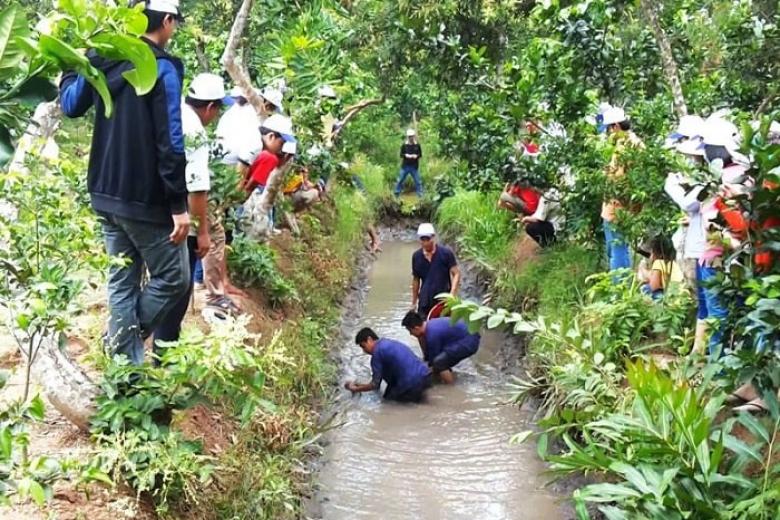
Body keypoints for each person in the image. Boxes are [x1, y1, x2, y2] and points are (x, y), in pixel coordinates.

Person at [59, 0, 189, 365]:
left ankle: (124, 371)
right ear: (166, 21)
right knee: (174, 277)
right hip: (145, 199)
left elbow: (70, 105)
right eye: (174, 23)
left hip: (104, 191)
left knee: (122, 280)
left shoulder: (102, 58)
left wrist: (72, 65)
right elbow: (171, 143)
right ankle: (121, 344)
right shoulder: (162, 68)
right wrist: (178, 206)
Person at [154, 73, 234, 347]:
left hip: (153, 209)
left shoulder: (170, 112)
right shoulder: (195, 132)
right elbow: (197, 189)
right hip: (180, 216)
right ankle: (165, 346)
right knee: (179, 283)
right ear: (210, 107)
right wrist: (201, 233)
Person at [600, 107, 644, 273]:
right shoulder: (632, 143)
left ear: (616, 127)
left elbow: (617, 180)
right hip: (622, 208)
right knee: (618, 250)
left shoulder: (625, 147)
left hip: (617, 209)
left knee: (617, 252)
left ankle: (619, 291)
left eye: (608, 129)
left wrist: (604, 175)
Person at [241, 114, 297, 239]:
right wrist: (240, 199)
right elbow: (251, 184)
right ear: (271, 136)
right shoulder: (269, 158)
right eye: (281, 144)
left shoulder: (255, 144)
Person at [344, 328, 432, 403]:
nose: (364, 351)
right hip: (425, 375)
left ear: (369, 339)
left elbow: (375, 385)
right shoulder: (387, 342)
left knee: (388, 403)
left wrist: (355, 389)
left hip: (412, 384)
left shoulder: (377, 354)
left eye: (363, 346)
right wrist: (360, 385)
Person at [401, 312, 480, 384]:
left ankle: (450, 388)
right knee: (441, 361)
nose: (411, 334)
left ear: (416, 328)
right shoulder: (430, 325)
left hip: (469, 342)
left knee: (439, 363)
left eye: (410, 331)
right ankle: (446, 375)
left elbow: (433, 362)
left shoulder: (432, 335)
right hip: (469, 336)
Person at [411, 223, 460, 318]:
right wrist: (413, 302)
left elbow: (456, 273)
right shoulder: (416, 256)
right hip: (425, 300)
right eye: (422, 239)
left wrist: (452, 294)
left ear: (433, 238)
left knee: (444, 327)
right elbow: (416, 279)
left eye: (428, 239)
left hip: (443, 300)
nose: (425, 243)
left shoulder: (446, 253)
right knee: (425, 328)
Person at [638, 235, 683, 300]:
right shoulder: (673, 263)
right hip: (679, 295)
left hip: (671, 297)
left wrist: (642, 269)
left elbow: (654, 286)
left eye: (652, 253)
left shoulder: (658, 263)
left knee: (645, 288)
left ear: (659, 255)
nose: (650, 256)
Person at [394, 128, 423, 197]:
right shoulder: (404, 145)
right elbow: (401, 155)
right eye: (409, 136)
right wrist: (406, 155)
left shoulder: (417, 145)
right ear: (407, 137)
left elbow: (420, 155)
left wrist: (416, 156)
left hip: (414, 166)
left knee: (418, 181)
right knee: (400, 180)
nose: (411, 138)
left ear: (414, 136)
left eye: (412, 136)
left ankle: (420, 195)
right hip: (405, 166)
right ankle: (396, 194)